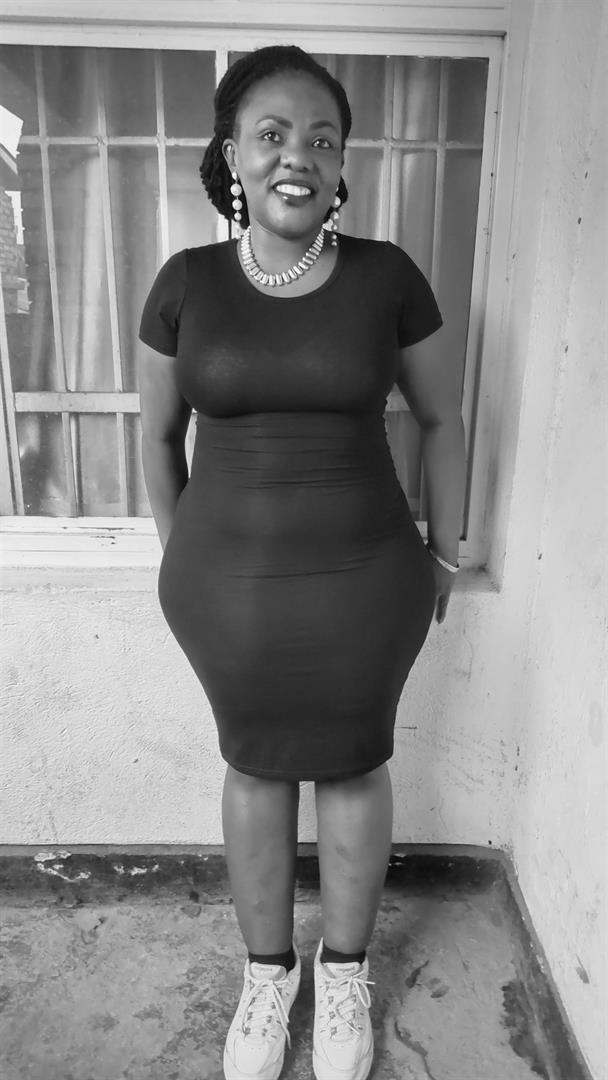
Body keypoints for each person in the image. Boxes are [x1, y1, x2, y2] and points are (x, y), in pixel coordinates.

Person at [138, 44, 465, 1080]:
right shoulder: (185, 283)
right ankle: (267, 975)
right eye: (272, 135)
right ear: (232, 153)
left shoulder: (387, 276)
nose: (298, 156)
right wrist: (181, 560)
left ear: (341, 164)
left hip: (369, 583)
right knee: (253, 764)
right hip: (224, 596)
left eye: (322, 139)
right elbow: (156, 439)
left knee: (354, 763)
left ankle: (346, 971)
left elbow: (442, 419)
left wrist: (447, 553)